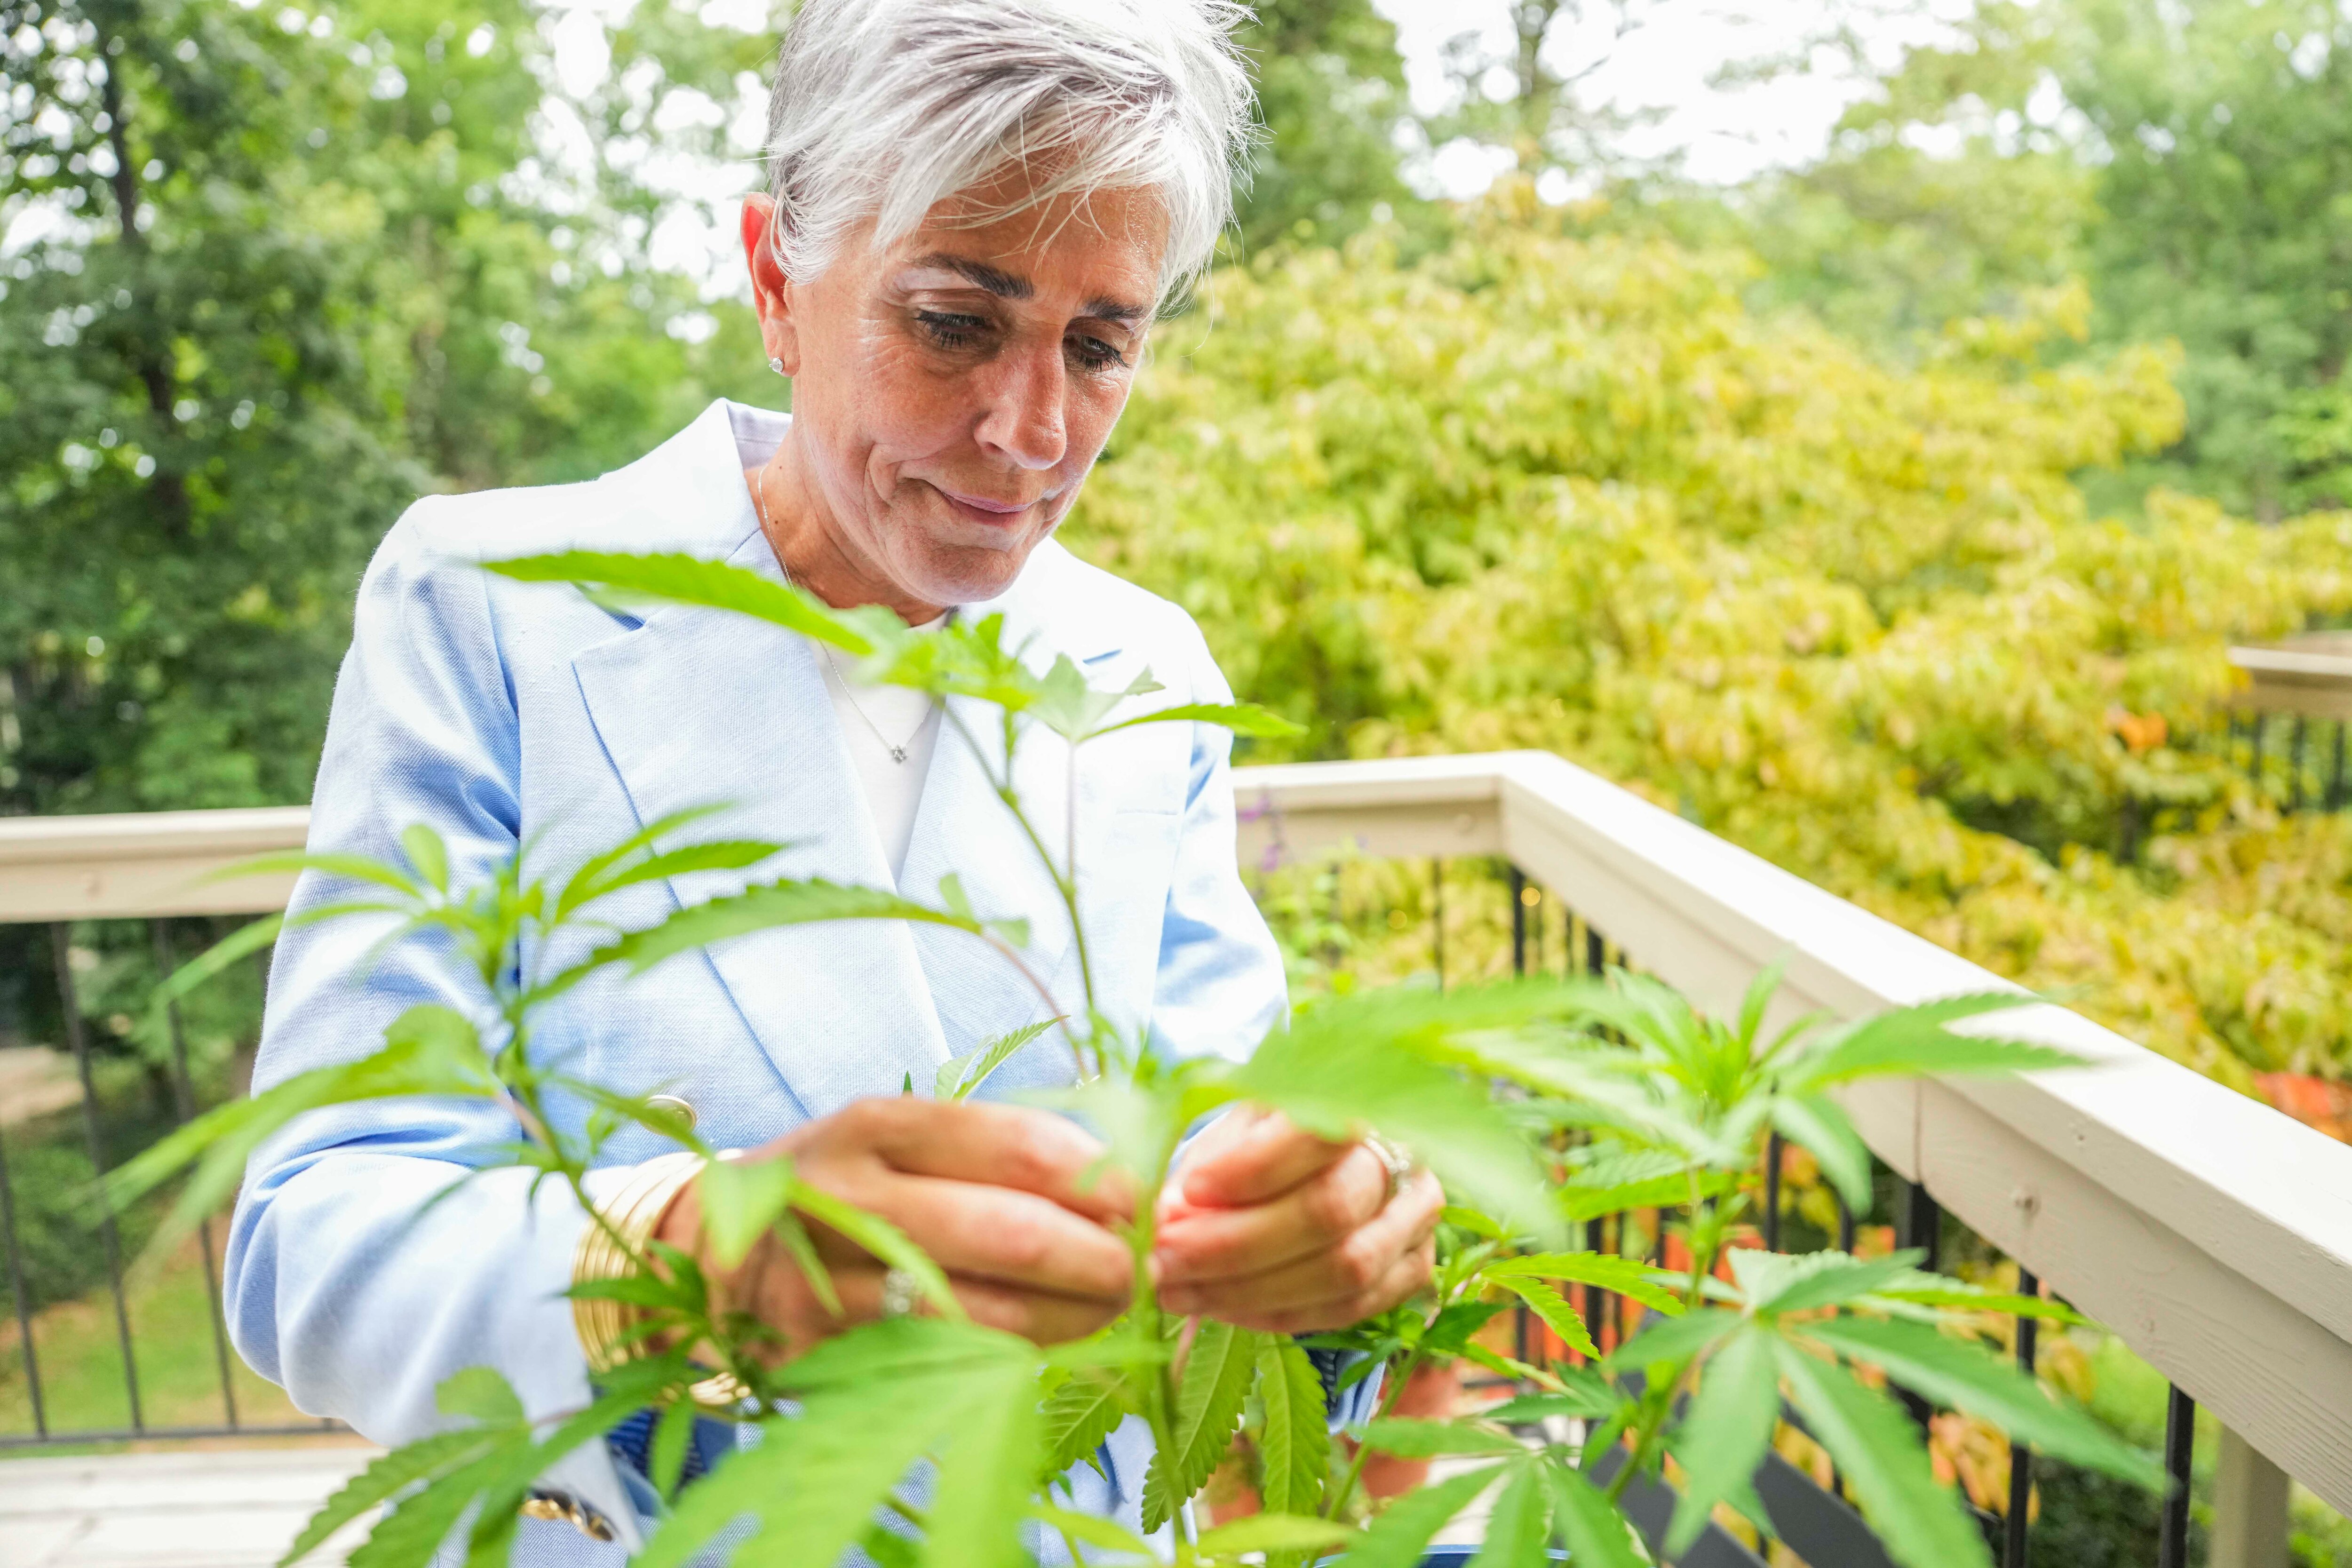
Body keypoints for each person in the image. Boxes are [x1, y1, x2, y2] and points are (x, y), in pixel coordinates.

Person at [223, 1, 1442, 1560]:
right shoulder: (494, 607)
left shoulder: (1143, 671)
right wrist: (685, 1256)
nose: (1030, 432)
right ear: (778, 277)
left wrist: (1331, 1232)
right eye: (954, 322)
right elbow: (314, 1232)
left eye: (1100, 343)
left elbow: (1217, 1130)